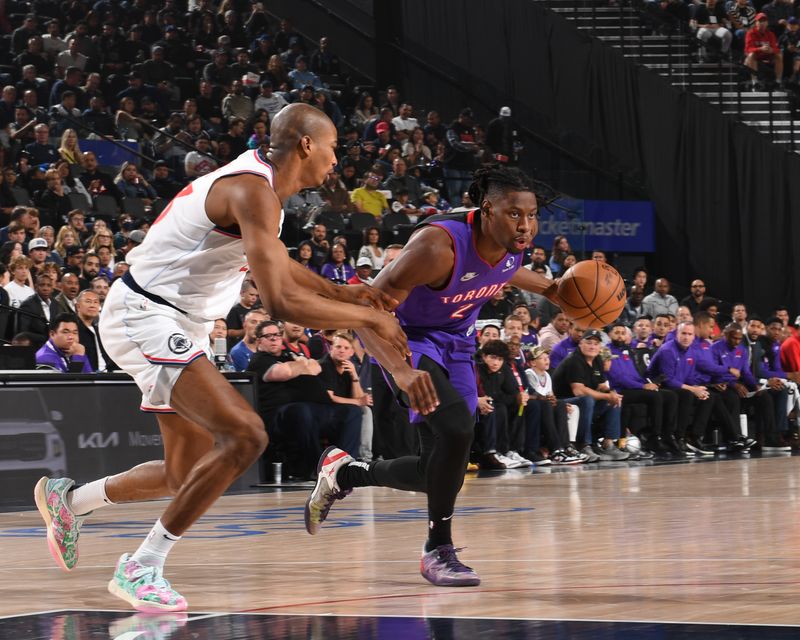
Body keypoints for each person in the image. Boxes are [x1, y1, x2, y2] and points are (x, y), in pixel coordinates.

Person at [34, 103, 433, 612]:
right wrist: (369, 318)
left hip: (178, 320)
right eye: (333, 148)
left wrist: (347, 293)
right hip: (148, 314)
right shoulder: (252, 190)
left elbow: (280, 266)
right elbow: (280, 300)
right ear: (307, 144)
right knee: (246, 434)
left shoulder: (263, 193)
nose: (337, 161)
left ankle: (69, 502)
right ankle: (141, 566)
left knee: (185, 473)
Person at [303, 165, 562, 587]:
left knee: (441, 472)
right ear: (487, 209)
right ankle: (437, 550)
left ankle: (344, 473)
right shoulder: (437, 247)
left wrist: (555, 290)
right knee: (457, 430)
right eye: (515, 215)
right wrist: (402, 372)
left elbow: (504, 269)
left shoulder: (512, 242)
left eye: (532, 216)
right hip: (405, 338)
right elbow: (367, 312)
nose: (526, 225)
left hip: (456, 341)